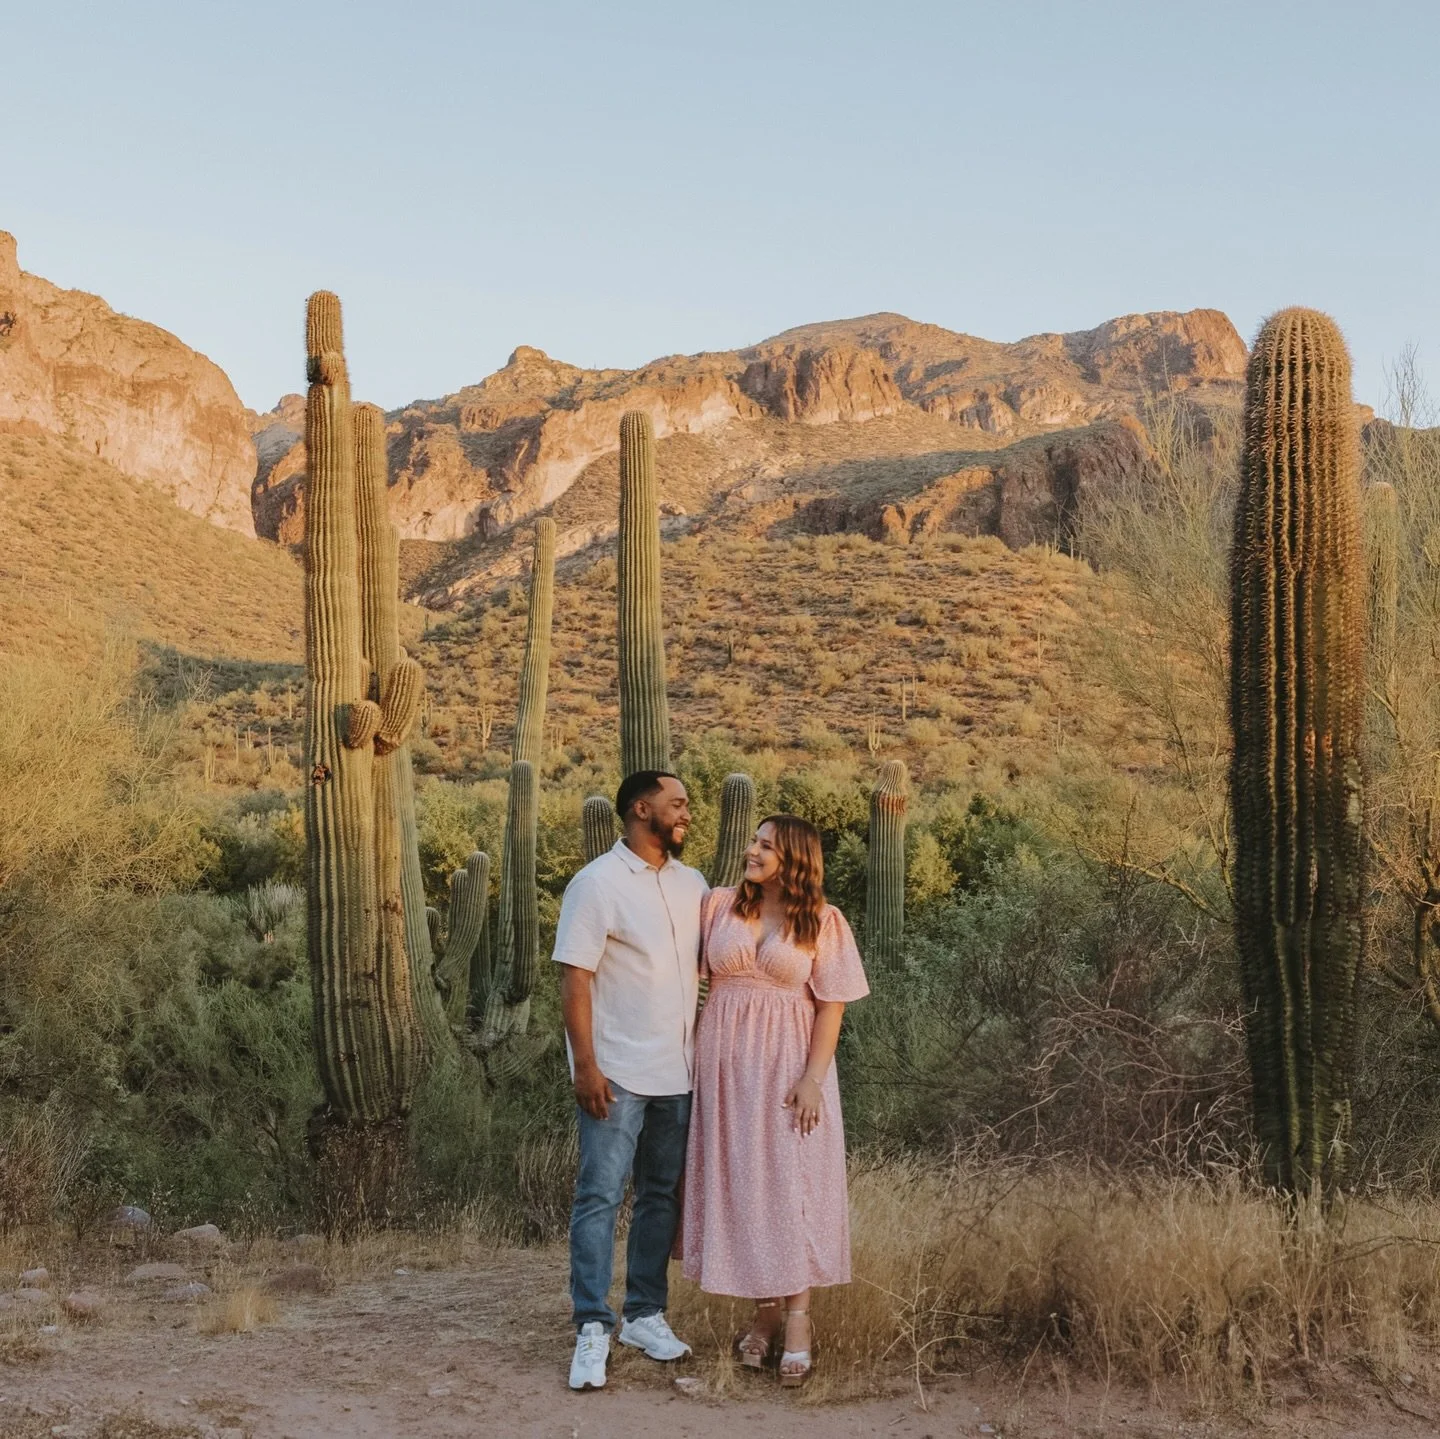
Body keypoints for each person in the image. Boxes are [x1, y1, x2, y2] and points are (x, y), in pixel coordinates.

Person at [681, 814, 869, 1386]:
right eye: (753, 840)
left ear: (794, 857)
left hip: (789, 1067)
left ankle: (796, 1321)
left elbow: (831, 1005)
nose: (751, 849)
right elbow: (684, 979)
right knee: (745, 1185)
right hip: (723, 1067)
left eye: (765, 845)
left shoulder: (824, 922)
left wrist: (813, 1077)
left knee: (792, 1187)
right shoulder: (717, 906)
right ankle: (760, 1313)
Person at [553, 770, 709, 1392]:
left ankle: (644, 1314)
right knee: (599, 1195)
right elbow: (575, 979)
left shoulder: (694, 884)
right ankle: (592, 1324)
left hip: (679, 1072)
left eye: (688, 806)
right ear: (641, 809)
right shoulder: (595, 885)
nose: (686, 815)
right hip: (615, 1074)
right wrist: (585, 1067)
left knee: (660, 1197)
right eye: (677, 805)